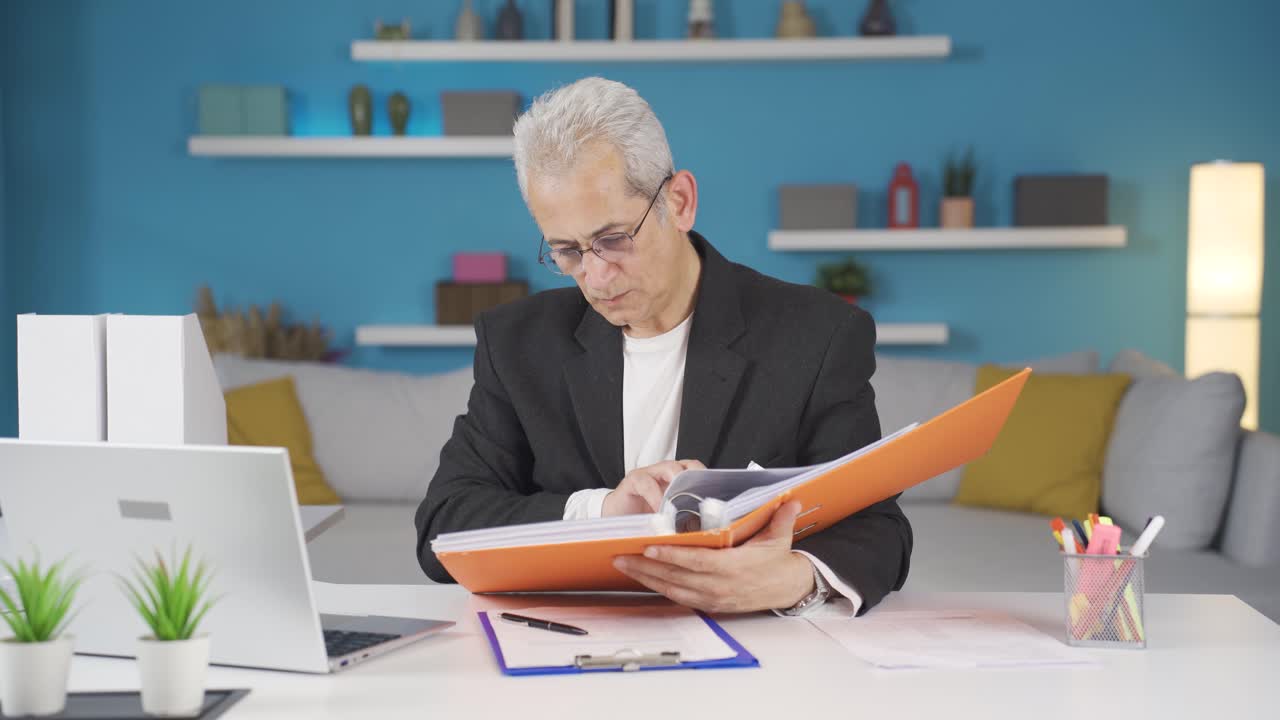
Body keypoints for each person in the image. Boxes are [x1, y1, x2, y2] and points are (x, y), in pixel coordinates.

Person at [415, 77, 911, 616]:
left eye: (612, 239)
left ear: (679, 202)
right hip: (566, 659)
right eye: (567, 251)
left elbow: (878, 528)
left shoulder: (818, 334)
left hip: (758, 659)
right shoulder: (515, 344)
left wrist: (795, 579)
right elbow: (444, 526)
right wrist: (603, 511)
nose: (596, 276)